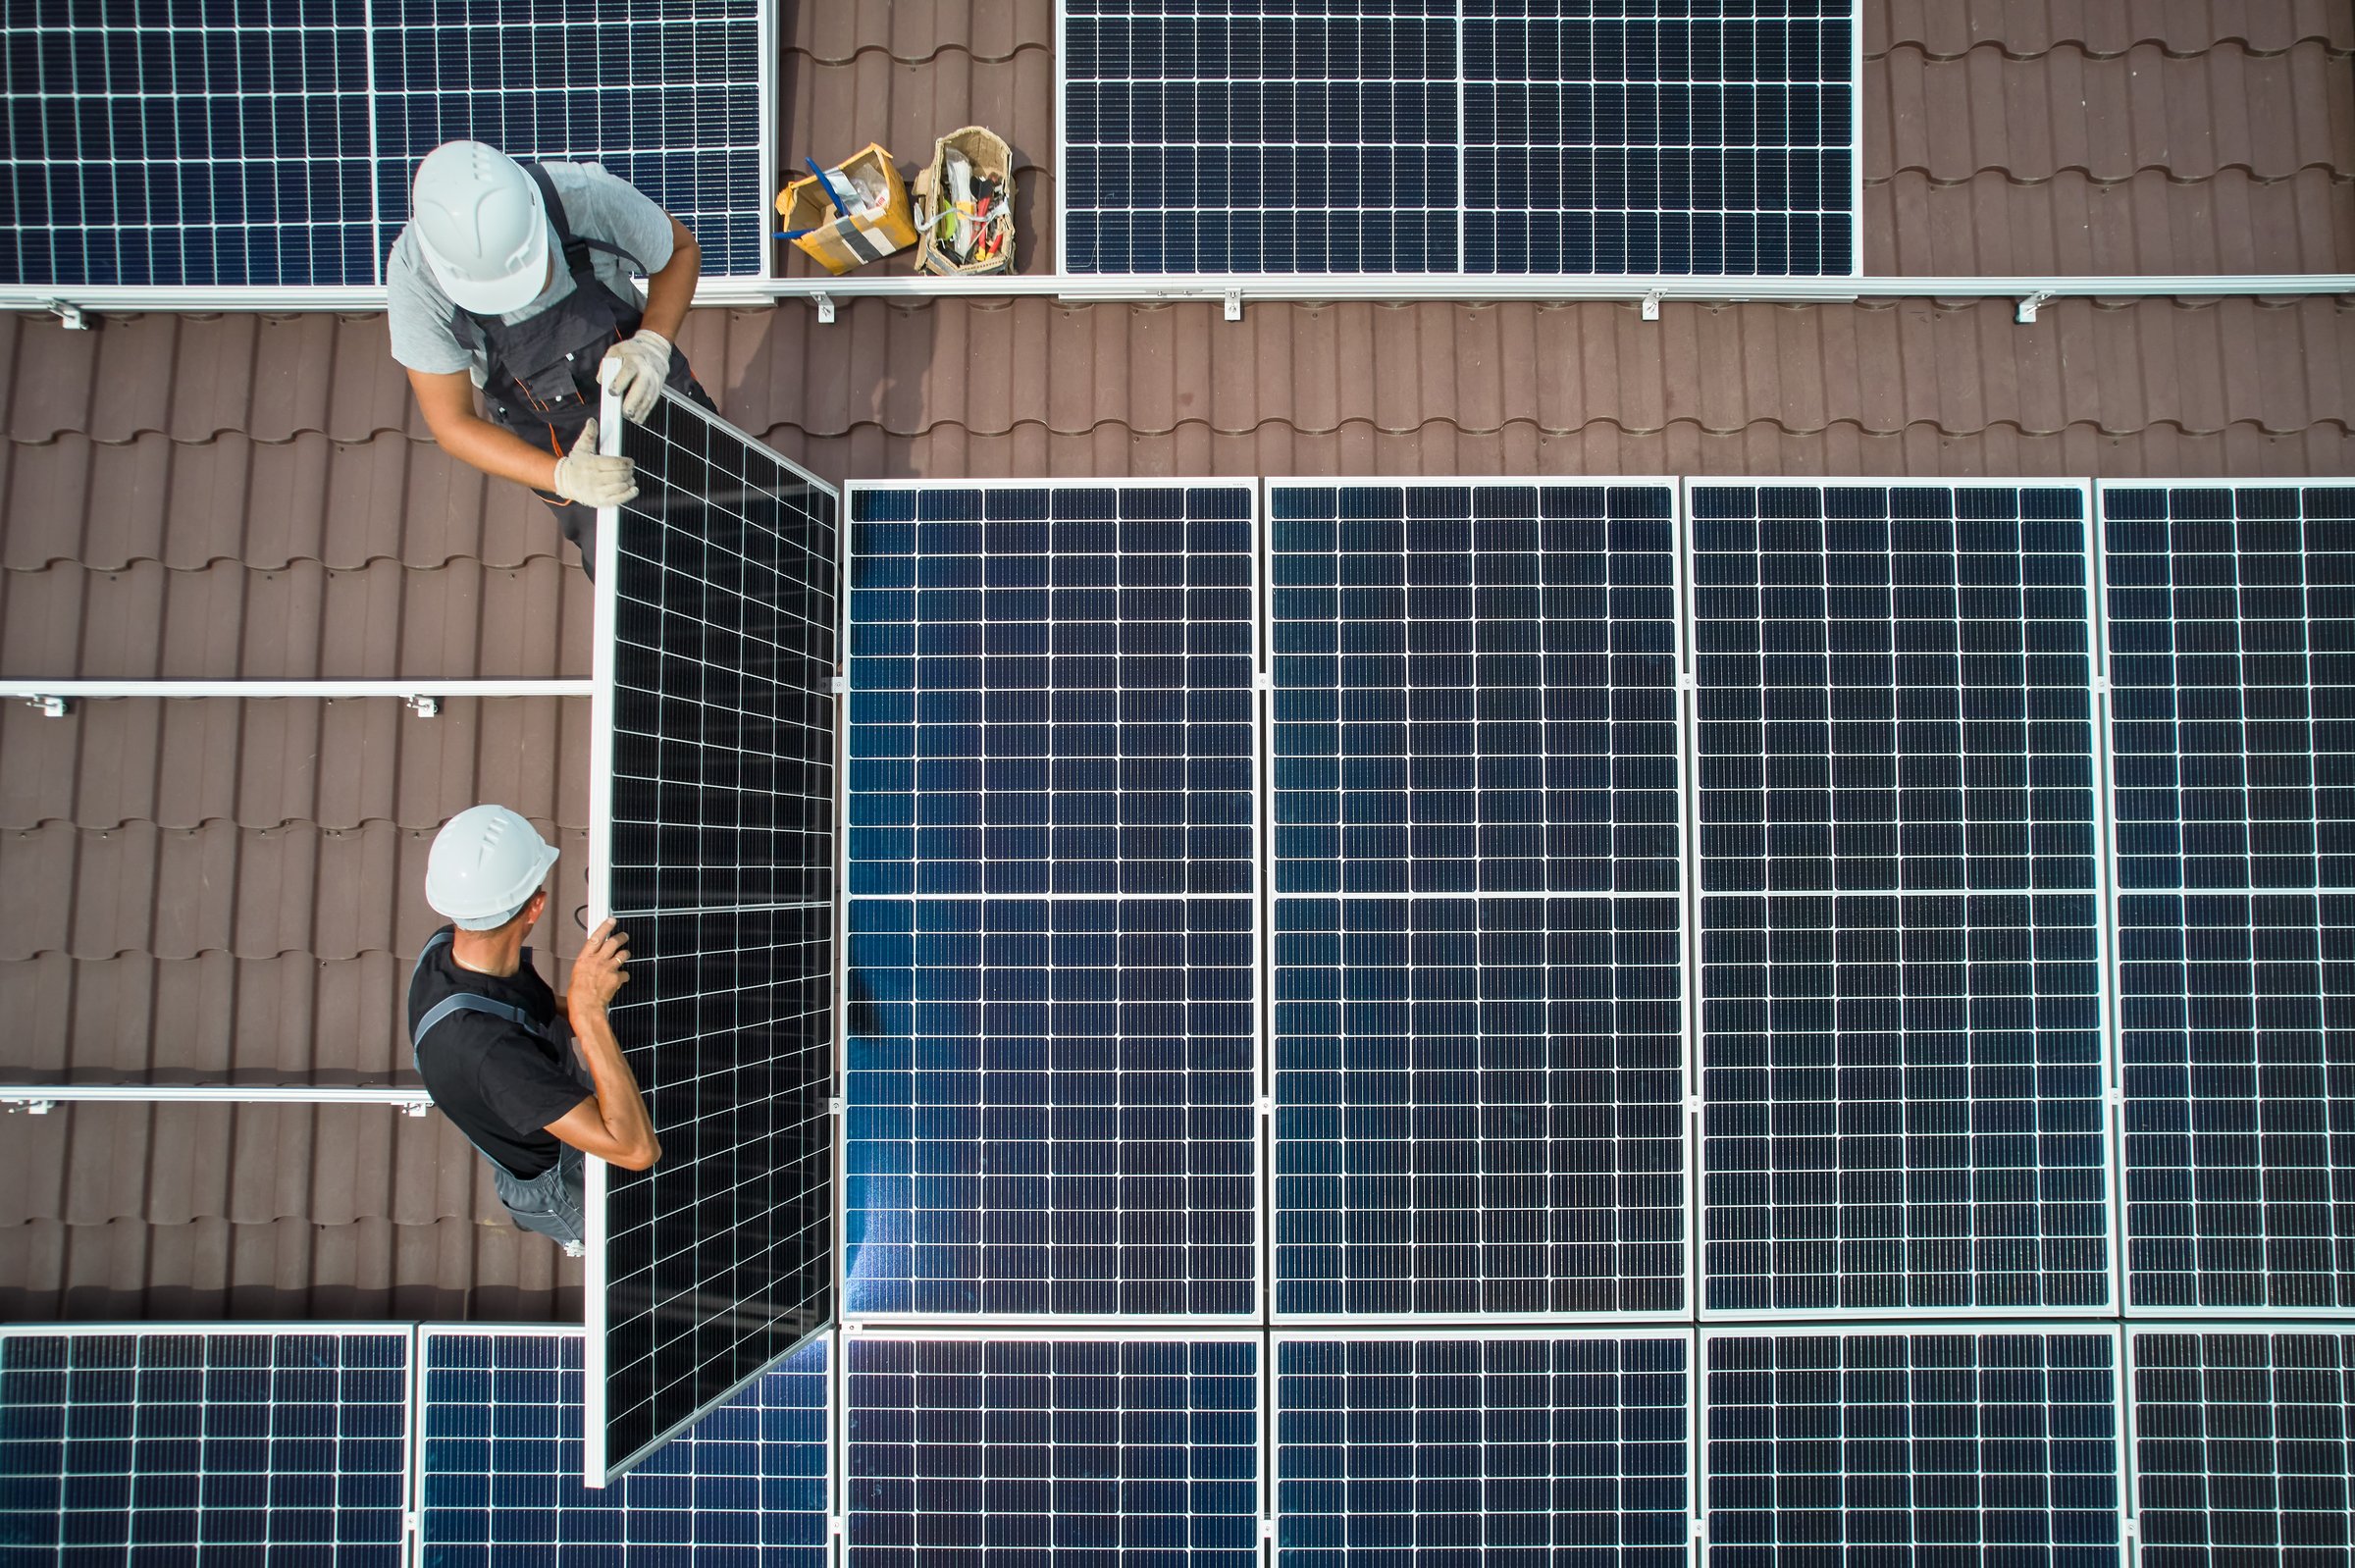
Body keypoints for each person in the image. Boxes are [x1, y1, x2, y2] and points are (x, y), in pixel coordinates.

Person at [386, 139, 719, 577]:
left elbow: (679, 251)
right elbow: (451, 422)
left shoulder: (582, 196)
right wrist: (563, 477)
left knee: (729, 507)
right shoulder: (417, 279)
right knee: (632, 570)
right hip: (560, 444)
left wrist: (653, 344)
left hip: (646, 378)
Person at [408, 804, 661, 1256]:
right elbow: (636, 1152)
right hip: (565, 1180)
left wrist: (590, 1003)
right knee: (655, 1240)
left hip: (541, 1097)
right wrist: (588, 1012)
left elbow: (530, 1010)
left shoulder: (447, 950)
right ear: (536, 906)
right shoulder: (490, 1053)